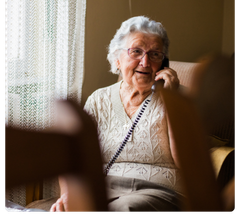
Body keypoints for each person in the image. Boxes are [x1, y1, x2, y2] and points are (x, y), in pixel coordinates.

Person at [51, 16, 183, 212]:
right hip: (103, 189)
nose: (145, 62)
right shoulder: (98, 99)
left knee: (124, 208)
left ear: (163, 63)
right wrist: (68, 194)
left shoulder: (178, 100)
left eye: (155, 54)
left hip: (158, 191)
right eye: (136, 51)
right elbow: (73, 155)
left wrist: (172, 101)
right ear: (117, 58)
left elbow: (186, 162)